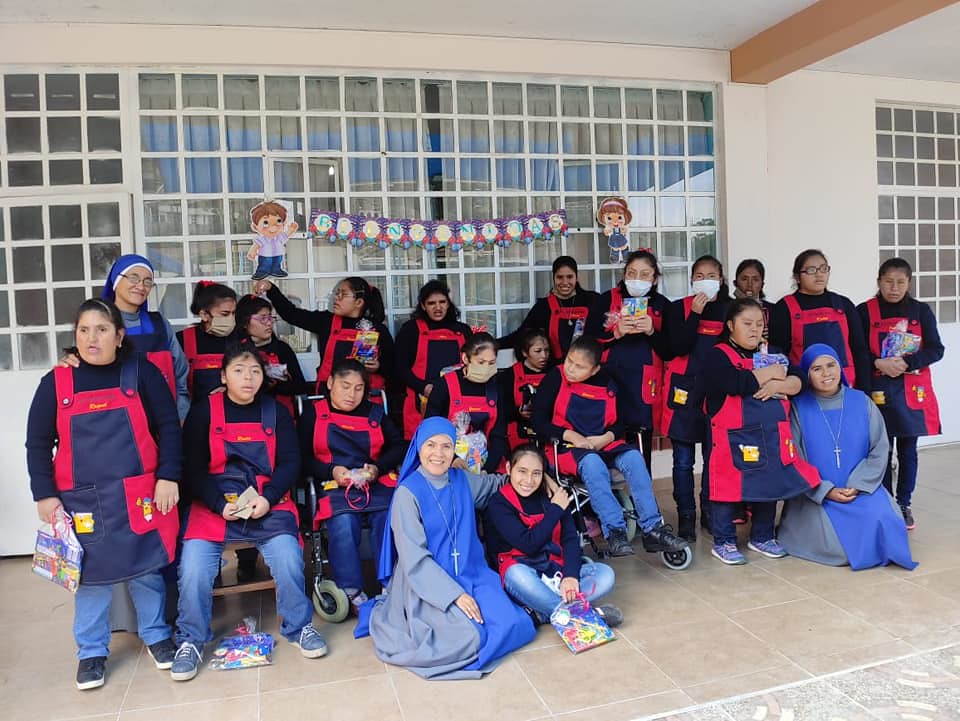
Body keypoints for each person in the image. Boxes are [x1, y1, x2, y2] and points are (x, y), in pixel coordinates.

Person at [26, 298, 181, 690]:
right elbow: (38, 444)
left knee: (146, 569)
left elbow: (169, 427)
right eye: (83, 330)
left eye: (101, 329)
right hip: (81, 500)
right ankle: (91, 652)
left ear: (119, 336)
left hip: (140, 494)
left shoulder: (141, 372)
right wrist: (44, 495)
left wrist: (168, 476)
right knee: (91, 578)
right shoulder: (56, 382)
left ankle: (157, 636)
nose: (91, 338)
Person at [172, 345, 326, 681]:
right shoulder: (203, 412)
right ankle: (191, 639)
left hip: (267, 503)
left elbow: (290, 462)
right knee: (194, 568)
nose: (248, 378)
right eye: (239, 371)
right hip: (215, 505)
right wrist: (218, 503)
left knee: (289, 558)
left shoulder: (276, 412)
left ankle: (299, 627)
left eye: (255, 371)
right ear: (223, 376)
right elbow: (193, 468)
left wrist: (268, 498)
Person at [358, 417, 536, 680]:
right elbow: (415, 559)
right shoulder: (407, 493)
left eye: (446, 446)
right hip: (426, 584)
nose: (438, 454)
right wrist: (455, 595)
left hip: (471, 573)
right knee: (469, 637)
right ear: (419, 447)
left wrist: (537, 478)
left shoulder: (461, 480)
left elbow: (496, 485)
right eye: (431, 445)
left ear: (454, 450)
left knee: (514, 623)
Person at [531, 336, 688, 558]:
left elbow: (620, 422)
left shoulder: (609, 382)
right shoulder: (556, 377)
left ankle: (652, 528)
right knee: (593, 463)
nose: (571, 369)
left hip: (604, 444)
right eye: (569, 361)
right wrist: (571, 435)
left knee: (634, 458)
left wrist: (605, 438)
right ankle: (615, 531)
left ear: (595, 369)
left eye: (580, 366)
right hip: (566, 448)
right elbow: (538, 421)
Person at [778, 344, 918, 571]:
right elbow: (794, 456)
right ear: (807, 374)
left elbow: (879, 448)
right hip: (816, 494)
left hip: (861, 488)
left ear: (840, 368)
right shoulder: (798, 407)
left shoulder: (861, 401)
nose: (826, 373)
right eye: (817, 369)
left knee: (887, 522)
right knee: (838, 547)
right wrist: (826, 490)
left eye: (831, 365)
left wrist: (859, 485)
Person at [702, 298, 820, 565]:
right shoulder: (718, 355)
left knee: (769, 484)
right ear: (730, 325)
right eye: (747, 323)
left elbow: (801, 378)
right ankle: (724, 541)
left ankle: (763, 536)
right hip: (732, 438)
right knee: (727, 488)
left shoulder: (772, 352)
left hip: (771, 435)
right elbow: (735, 383)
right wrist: (771, 373)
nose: (754, 329)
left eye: (759, 324)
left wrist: (784, 383)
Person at [299, 359, 405, 612]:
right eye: (345, 386)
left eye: (359, 388)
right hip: (333, 485)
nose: (351, 394)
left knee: (388, 518)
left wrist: (377, 467)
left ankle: (391, 584)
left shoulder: (375, 413)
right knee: (344, 522)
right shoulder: (314, 414)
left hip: (374, 483)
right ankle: (351, 590)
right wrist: (331, 471)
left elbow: (399, 446)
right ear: (330, 383)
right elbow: (300, 458)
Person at [484, 445, 622, 626]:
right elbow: (528, 544)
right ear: (509, 469)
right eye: (522, 472)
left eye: (536, 473)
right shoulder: (499, 503)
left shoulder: (553, 496)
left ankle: (544, 611)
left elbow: (570, 539)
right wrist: (555, 509)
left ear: (543, 474)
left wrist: (570, 576)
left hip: (555, 570)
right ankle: (581, 616)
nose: (528, 480)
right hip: (525, 573)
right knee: (516, 575)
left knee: (605, 574)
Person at [857, 258, 943, 529]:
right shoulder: (864, 311)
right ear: (879, 281)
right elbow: (857, 350)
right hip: (877, 390)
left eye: (900, 282)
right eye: (888, 282)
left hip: (910, 392)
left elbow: (936, 349)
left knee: (907, 450)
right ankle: (884, 501)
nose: (894, 288)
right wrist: (877, 362)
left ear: (909, 283)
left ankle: (904, 503)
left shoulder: (921, 311)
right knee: (880, 450)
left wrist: (907, 362)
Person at [663, 254, 731, 541]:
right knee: (682, 461)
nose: (705, 281)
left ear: (721, 279)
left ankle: (710, 511)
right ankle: (686, 515)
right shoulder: (678, 308)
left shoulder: (731, 310)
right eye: (699, 276)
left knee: (714, 459)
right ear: (692, 280)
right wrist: (695, 315)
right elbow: (676, 347)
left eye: (711, 276)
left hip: (718, 392)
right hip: (684, 393)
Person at [586, 248, 672, 468]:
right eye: (632, 273)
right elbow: (587, 341)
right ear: (624, 274)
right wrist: (615, 332)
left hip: (643, 385)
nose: (637, 279)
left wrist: (652, 331)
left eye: (645, 274)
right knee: (604, 436)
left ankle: (641, 487)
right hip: (608, 380)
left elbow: (670, 351)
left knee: (641, 443)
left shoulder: (662, 305)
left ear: (655, 279)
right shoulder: (606, 300)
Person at [254, 277, 395, 402]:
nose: (337, 298)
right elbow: (292, 314)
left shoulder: (376, 329)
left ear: (358, 302)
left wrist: (379, 367)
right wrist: (271, 289)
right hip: (329, 396)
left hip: (364, 398)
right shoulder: (326, 321)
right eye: (337, 293)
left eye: (343, 294)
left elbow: (393, 366)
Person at [99, 254, 190, 419]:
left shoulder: (159, 324)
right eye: (134, 278)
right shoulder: (98, 324)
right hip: (118, 423)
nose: (141, 286)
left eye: (147, 282)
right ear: (116, 280)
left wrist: (180, 415)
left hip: (164, 421)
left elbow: (180, 373)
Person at [769, 249, 871, 390]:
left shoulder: (843, 304)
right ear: (797, 277)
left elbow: (859, 350)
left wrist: (865, 389)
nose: (819, 274)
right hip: (803, 386)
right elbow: (779, 354)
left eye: (823, 269)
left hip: (845, 385)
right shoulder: (784, 307)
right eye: (811, 270)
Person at [394, 280, 473, 439]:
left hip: (457, 400)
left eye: (442, 302)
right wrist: (423, 387)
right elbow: (399, 367)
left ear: (448, 303)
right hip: (421, 399)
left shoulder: (462, 330)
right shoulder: (411, 329)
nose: (438, 307)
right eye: (431, 303)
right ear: (423, 306)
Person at [425, 332, 508, 472]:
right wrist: (452, 458)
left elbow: (499, 435)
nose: (486, 368)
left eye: (491, 363)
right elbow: (430, 428)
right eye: (481, 362)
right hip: (445, 460)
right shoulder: (445, 385)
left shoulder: (496, 388)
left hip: (485, 462)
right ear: (465, 358)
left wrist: (486, 469)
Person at [497, 256, 598, 364]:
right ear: (553, 278)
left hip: (587, 366)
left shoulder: (592, 300)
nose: (565, 282)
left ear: (576, 277)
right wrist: (494, 344)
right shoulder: (543, 306)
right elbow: (521, 335)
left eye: (569, 277)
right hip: (555, 367)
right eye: (560, 277)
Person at [236, 293, 311, 418]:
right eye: (262, 318)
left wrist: (276, 385)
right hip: (247, 415)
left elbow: (300, 386)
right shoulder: (237, 350)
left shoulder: (281, 348)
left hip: (280, 415)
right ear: (244, 322)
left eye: (271, 318)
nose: (269, 323)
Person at [177, 281, 238, 403]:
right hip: (193, 410)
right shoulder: (182, 339)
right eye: (225, 314)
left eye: (233, 313)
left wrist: (230, 391)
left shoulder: (240, 339)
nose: (230, 319)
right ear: (204, 315)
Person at [498, 328, 550, 451]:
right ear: (525, 352)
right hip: (517, 435)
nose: (544, 356)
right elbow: (500, 409)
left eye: (547, 350)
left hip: (547, 434)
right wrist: (518, 412)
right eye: (538, 351)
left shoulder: (554, 374)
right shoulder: (508, 376)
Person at [248, 200, 297, 280]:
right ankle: (262, 272)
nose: (273, 227)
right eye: (266, 222)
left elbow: (286, 235)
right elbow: (256, 245)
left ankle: (276, 270)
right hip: (265, 256)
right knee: (264, 265)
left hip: (278, 255)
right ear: (255, 227)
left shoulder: (279, 237)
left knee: (277, 263)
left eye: (279, 221)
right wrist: (252, 251)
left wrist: (291, 230)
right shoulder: (262, 239)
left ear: (284, 223)